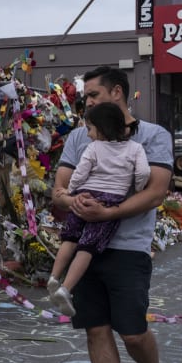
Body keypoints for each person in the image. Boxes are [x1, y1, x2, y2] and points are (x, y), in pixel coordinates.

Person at [51, 66, 172, 363]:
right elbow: (59, 189)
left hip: (127, 248)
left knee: (133, 333)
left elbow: (155, 191)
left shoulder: (152, 136)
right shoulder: (78, 138)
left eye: (92, 96)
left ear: (116, 93)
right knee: (96, 329)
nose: (86, 102)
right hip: (86, 245)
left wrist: (109, 213)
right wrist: (75, 201)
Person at [48, 102, 151, 318]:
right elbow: (143, 172)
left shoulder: (93, 148)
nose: (88, 134)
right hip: (107, 203)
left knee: (70, 238)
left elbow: (80, 172)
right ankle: (65, 289)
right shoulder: (135, 148)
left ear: (102, 129)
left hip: (84, 196)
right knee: (87, 247)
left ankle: (54, 277)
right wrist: (138, 188)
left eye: (90, 129)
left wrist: (71, 193)